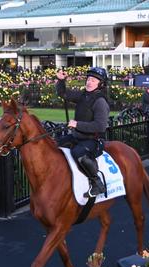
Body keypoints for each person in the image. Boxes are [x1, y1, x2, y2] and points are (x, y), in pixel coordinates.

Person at [56, 67, 109, 198]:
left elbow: (100, 126)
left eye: (93, 80)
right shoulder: (83, 95)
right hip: (77, 136)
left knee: (78, 153)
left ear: (100, 84)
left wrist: (77, 124)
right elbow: (64, 94)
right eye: (88, 79)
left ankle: (97, 183)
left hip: (93, 140)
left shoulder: (100, 101)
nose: (89, 82)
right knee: (55, 145)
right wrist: (61, 80)